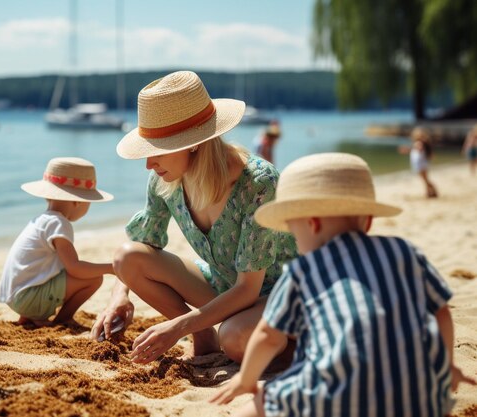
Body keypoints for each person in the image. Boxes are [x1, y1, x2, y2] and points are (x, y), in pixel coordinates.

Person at [210, 152, 476, 416]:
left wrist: (246, 380)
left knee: (260, 403)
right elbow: (441, 311)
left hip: (332, 396)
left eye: (292, 231)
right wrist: (447, 365)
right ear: (368, 221)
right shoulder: (404, 251)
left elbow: (268, 336)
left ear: (311, 224)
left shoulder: (304, 271)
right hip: (413, 393)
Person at [90, 71, 298, 365]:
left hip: (282, 294)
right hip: (226, 286)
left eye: (157, 150)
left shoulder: (258, 182)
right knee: (127, 257)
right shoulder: (165, 180)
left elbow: (249, 288)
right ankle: (204, 338)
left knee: (235, 339)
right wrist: (119, 296)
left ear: (193, 142)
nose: (149, 164)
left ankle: (312, 348)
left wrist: (178, 327)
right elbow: (142, 242)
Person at [0, 157, 114, 327]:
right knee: (94, 279)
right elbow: (74, 267)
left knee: (68, 274)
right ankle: (63, 319)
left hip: (16, 295)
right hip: (28, 298)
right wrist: (112, 268)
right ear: (77, 201)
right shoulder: (59, 223)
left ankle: (30, 316)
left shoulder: (42, 220)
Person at [407, 127, 438, 198]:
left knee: (425, 179)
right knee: (425, 179)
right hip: (421, 164)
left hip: (421, 164)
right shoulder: (423, 143)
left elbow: (419, 149)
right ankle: (429, 192)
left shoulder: (419, 143)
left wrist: (411, 148)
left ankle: (432, 191)